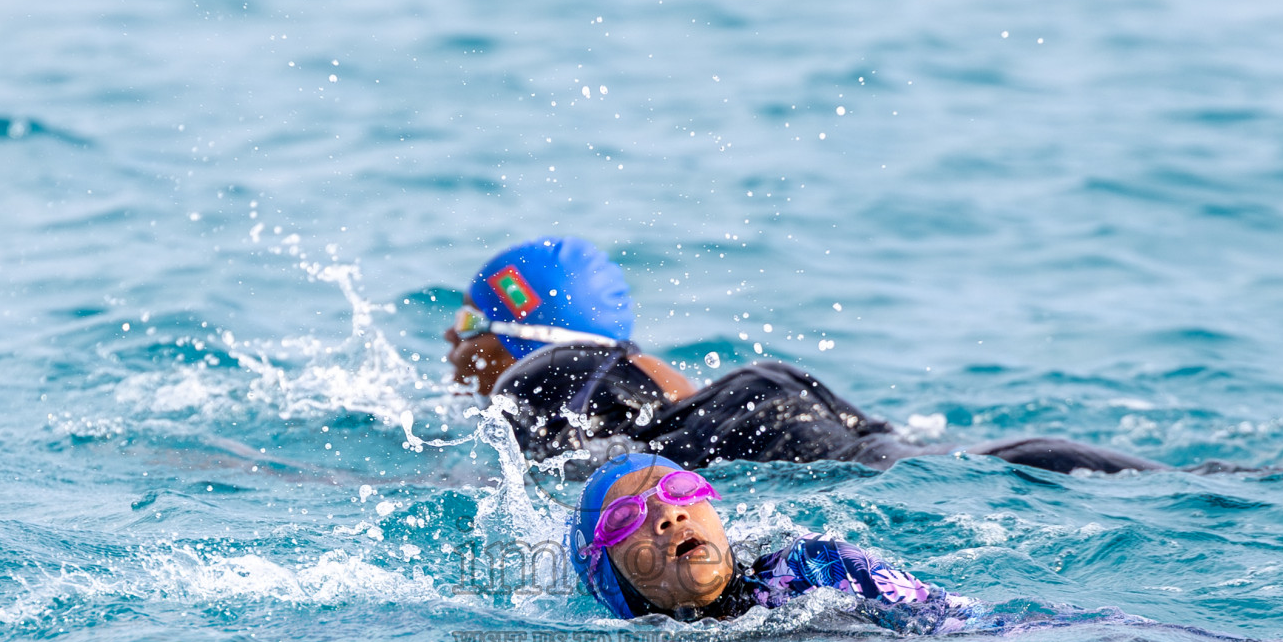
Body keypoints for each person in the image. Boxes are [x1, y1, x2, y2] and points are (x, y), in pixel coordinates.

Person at [447, 236, 1170, 478]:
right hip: (767, 400)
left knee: (924, 467)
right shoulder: (634, 371)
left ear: (523, 334)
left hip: (751, 417)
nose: (453, 342)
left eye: (470, 321)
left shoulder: (545, 380)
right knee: (952, 461)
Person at [567, 453, 978, 631]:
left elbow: (970, 623)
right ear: (609, 578)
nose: (669, 515)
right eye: (624, 517)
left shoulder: (813, 567)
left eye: (677, 488)